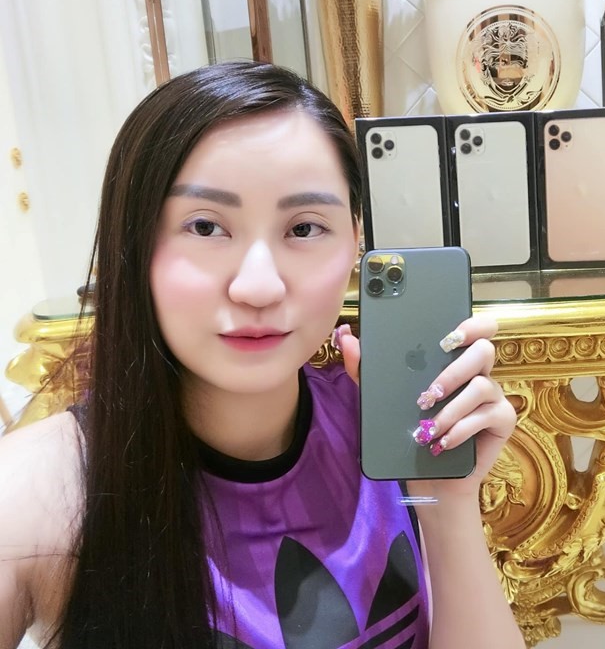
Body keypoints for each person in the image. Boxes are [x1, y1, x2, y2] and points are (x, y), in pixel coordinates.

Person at [0, 61, 524, 649]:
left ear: (355, 243)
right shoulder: (37, 493)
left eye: (304, 228)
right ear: (135, 244)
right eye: (205, 227)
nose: (258, 287)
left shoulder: (384, 432)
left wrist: (448, 503)